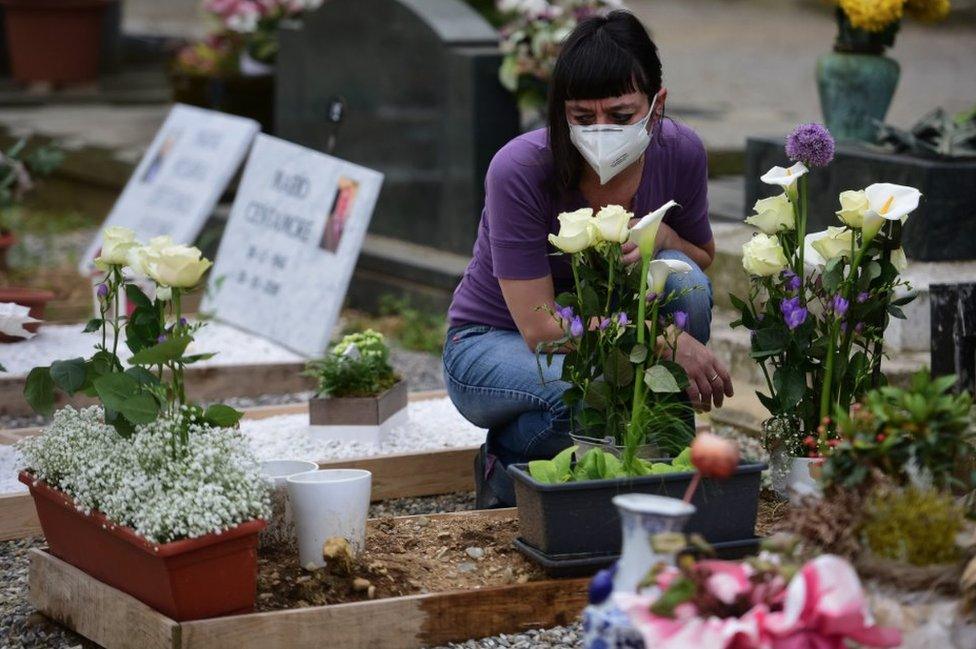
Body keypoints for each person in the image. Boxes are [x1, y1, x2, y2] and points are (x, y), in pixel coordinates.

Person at [443, 10, 734, 507]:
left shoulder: (680, 151)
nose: (601, 131)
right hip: (495, 342)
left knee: (685, 283)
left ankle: (653, 463)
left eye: (621, 116)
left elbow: (702, 258)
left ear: (656, 104)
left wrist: (665, 238)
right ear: (561, 112)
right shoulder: (520, 169)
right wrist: (663, 341)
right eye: (581, 117)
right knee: (580, 392)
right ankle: (505, 464)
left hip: (602, 337)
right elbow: (540, 330)